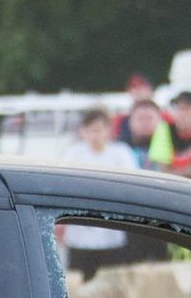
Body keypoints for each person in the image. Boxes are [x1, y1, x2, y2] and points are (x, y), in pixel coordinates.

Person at [58, 108, 140, 277]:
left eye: (99, 129)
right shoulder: (73, 154)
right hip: (79, 232)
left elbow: (131, 184)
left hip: (111, 231)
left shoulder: (121, 152)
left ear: (108, 130)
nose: (95, 135)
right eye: (91, 130)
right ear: (83, 131)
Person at [119, 98, 164, 167]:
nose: (145, 123)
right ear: (130, 122)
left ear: (160, 121)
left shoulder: (174, 150)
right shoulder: (118, 149)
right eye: (141, 118)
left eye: (150, 118)